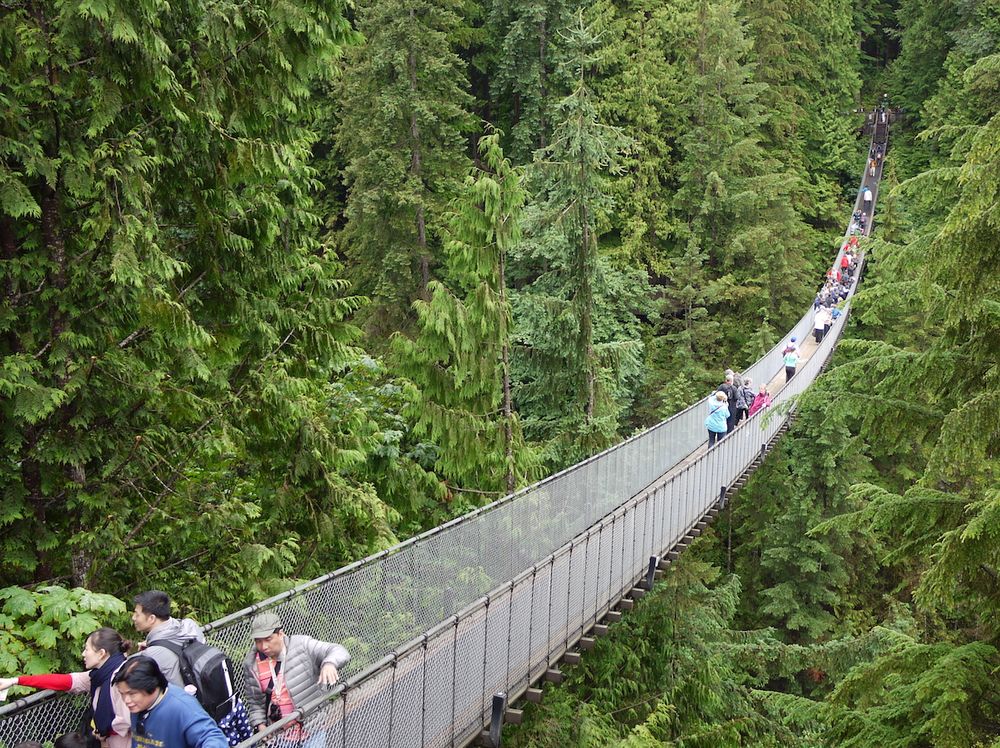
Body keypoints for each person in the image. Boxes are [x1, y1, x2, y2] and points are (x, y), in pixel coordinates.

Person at [0, 628, 132, 748]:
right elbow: (66, 681)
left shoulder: (122, 680)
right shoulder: (100, 675)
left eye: (87, 649)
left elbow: (127, 721)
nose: (83, 654)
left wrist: (104, 732)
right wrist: (15, 680)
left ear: (101, 653)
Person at [243, 611, 351, 743]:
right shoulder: (252, 664)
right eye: (258, 641)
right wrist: (260, 725)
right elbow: (255, 702)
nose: (263, 646)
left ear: (280, 634)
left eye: (268, 639)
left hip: (311, 730)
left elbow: (339, 651)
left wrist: (329, 663)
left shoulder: (302, 646)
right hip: (278, 737)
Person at [112, 657, 228, 748]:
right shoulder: (139, 705)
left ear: (151, 686)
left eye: (132, 694)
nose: (126, 700)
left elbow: (212, 738)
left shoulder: (182, 707)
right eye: (122, 694)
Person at [131, 590, 206, 687]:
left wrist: (152, 649)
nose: (133, 618)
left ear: (151, 619)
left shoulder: (151, 655)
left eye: (137, 614)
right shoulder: (190, 625)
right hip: (203, 688)